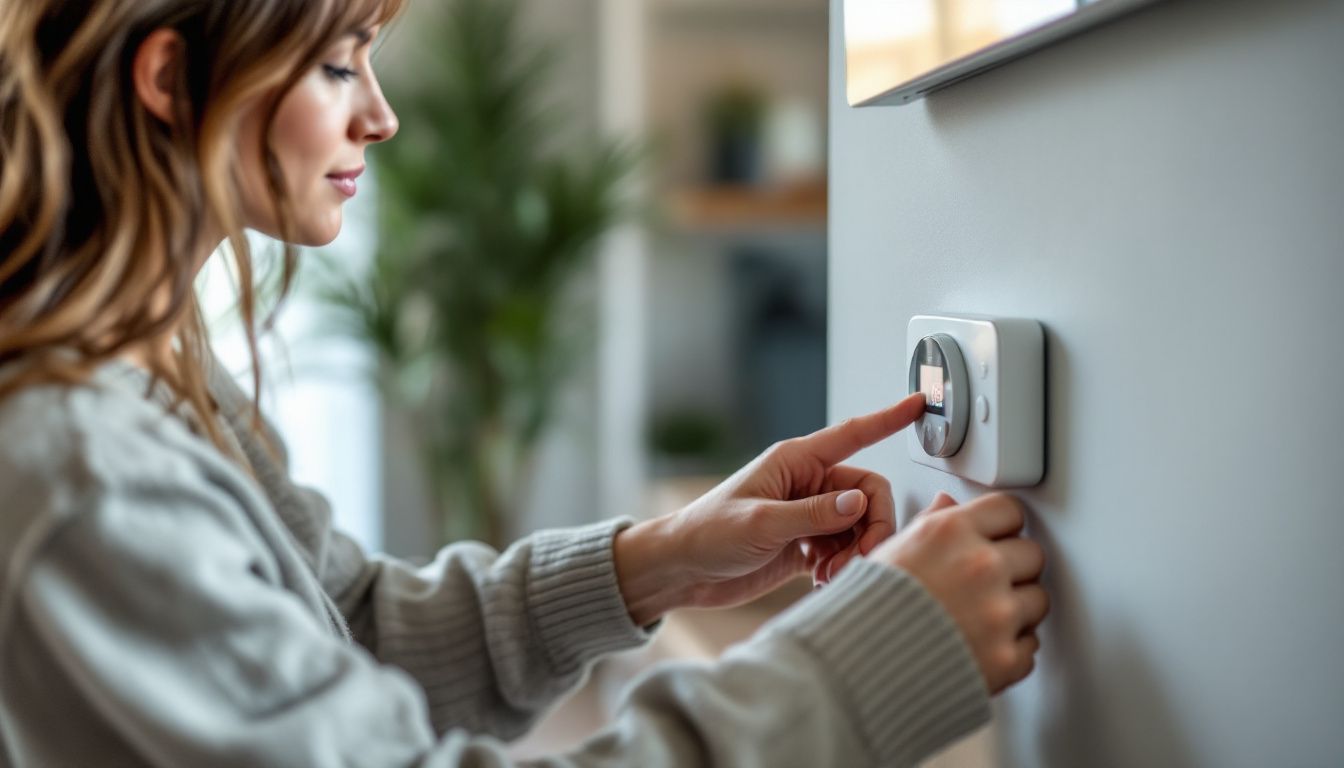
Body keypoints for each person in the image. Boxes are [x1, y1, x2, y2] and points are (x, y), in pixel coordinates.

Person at [0, 0, 1049, 765]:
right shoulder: (86, 471)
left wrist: (658, 562)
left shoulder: (155, 367)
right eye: (336, 64)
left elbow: (347, 632)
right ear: (172, 77)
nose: (380, 115)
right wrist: (872, 662)